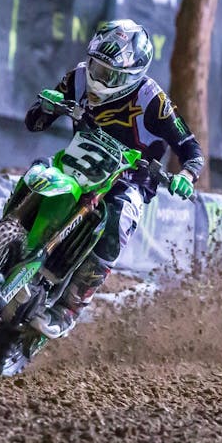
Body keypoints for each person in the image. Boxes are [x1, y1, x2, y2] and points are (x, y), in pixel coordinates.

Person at [24, 19, 204, 339]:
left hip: (130, 180)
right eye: (97, 67)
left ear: (132, 74)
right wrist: (46, 106)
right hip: (78, 162)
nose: (99, 78)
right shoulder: (79, 76)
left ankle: (69, 308)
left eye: (111, 74)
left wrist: (186, 176)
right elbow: (35, 123)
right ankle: (2, 249)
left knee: (116, 219)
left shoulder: (152, 99)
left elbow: (191, 149)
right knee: (37, 173)